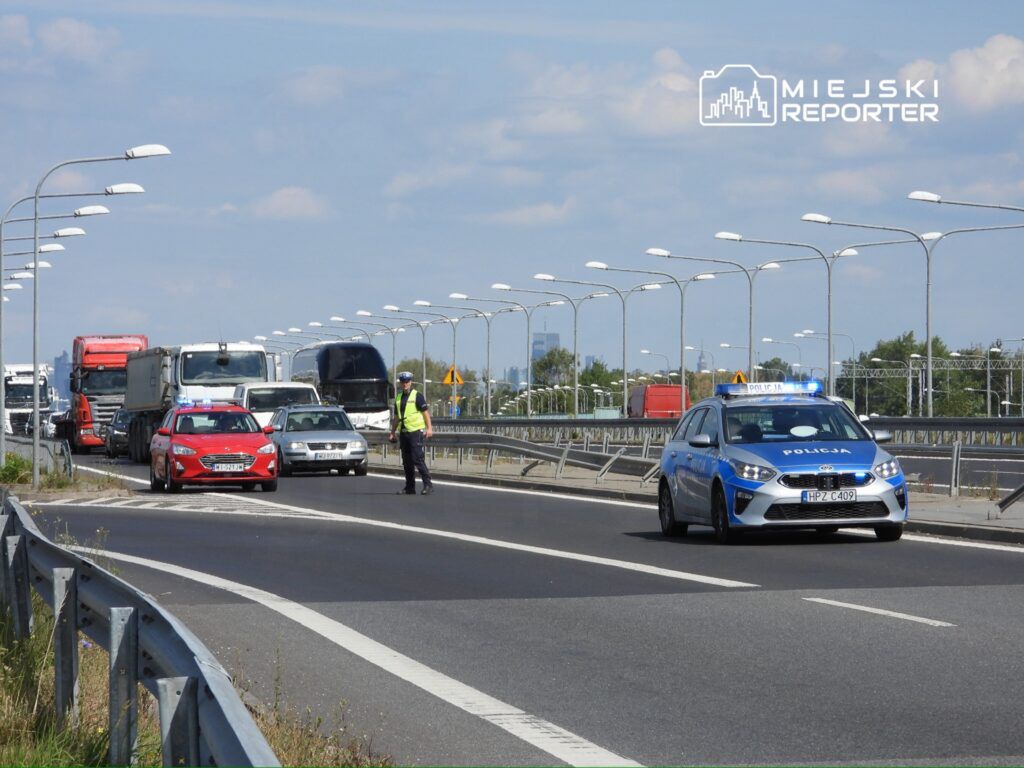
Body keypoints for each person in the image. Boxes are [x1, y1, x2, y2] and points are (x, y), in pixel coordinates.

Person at [389, 371, 434, 495]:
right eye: (403, 382)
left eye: (407, 382)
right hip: (403, 432)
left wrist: (429, 428)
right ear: (400, 383)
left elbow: (426, 413)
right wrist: (392, 432)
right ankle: (410, 487)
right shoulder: (398, 397)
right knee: (407, 460)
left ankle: (428, 484)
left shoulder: (417, 396)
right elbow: (397, 417)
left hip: (415, 432)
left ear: (411, 382)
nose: (405, 384)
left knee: (417, 458)